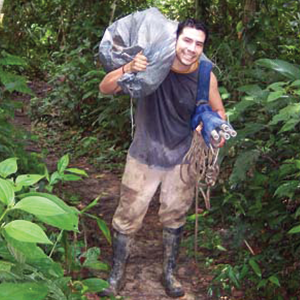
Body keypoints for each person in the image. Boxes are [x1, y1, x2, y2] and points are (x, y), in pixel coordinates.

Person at [98, 19, 226, 298]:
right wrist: (128, 67)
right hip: (144, 153)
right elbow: (105, 88)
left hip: (182, 159)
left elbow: (220, 113)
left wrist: (213, 128)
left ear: (203, 47)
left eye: (199, 44)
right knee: (128, 216)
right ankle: (116, 275)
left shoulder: (205, 76)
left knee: (175, 215)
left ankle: (169, 273)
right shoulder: (153, 64)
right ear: (176, 39)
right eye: (187, 40)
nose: (191, 49)